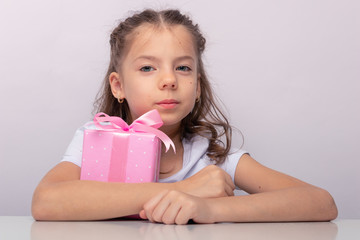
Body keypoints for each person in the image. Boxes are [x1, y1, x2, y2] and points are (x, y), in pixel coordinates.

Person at [31, 9, 338, 225]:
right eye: (148, 68)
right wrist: (181, 189)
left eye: (183, 67)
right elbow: (45, 202)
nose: (169, 80)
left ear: (198, 88)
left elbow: (321, 203)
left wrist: (210, 208)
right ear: (118, 85)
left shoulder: (214, 157)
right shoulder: (96, 138)